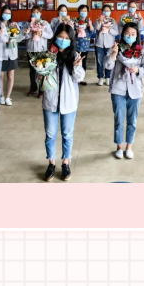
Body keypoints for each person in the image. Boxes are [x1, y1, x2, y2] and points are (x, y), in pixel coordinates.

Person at [40, 23, 86, 182]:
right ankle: (51, 162)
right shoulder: (48, 55)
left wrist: (77, 67)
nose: (63, 40)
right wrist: (40, 73)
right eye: (60, 37)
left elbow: (79, 78)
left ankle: (66, 162)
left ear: (71, 40)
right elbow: (40, 77)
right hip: (50, 100)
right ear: (55, 37)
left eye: (67, 38)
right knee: (50, 134)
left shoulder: (75, 56)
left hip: (69, 101)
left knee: (67, 134)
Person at [104, 23, 144, 159]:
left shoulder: (140, 51)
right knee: (119, 119)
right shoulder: (116, 47)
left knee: (132, 120)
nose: (130, 36)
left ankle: (129, 146)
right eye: (127, 33)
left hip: (135, 89)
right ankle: (119, 146)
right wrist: (113, 54)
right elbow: (107, 65)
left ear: (136, 36)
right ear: (122, 34)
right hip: (118, 88)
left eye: (133, 34)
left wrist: (138, 70)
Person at [0, 5, 24, 106]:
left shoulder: (13, 25)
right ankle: (1, 96)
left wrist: (22, 33)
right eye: (5, 13)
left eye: (9, 13)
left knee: (10, 76)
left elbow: (19, 38)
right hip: (1, 54)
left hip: (12, 54)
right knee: (0, 76)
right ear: (1, 13)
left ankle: (8, 97)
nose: (7, 15)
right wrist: (6, 40)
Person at [26, 5, 53, 98]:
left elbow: (50, 35)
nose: (35, 14)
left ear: (41, 13)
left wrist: (41, 33)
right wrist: (30, 32)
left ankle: (42, 89)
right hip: (30, 50)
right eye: (34, 12)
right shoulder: (28, 23)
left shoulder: (45, 23)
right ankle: (33, 88)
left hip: (41, 50)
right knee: (32, 71)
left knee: (42, 70)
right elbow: (23, 35)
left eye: (37, 12)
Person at [94, 3, 119, 86]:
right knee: (100, 62)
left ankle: (108, 77)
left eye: (108, 11)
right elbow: (96, 29)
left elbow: (116, 32)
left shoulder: (113, 21)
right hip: (99, 44)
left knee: (109, 61)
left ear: (110, 12)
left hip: (110, 44)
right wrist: (100, 22)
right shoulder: (98, 20)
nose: (106, 12)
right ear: (102, 12)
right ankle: (100, 77)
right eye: (104, 11)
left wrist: (109, 30)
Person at [74, 4, 95, 86]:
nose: (83, 12)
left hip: (85, 45)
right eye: (82, 11)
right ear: (79, 12)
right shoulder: (75, 21)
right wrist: (76, 31)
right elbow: (70, 32)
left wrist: (90, 26)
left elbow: (93, 34)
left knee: (83, 62)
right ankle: (74, 77)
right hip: (76, 44)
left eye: (85, 11)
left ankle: (82, 78)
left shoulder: (89, 21)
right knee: (75, 60)